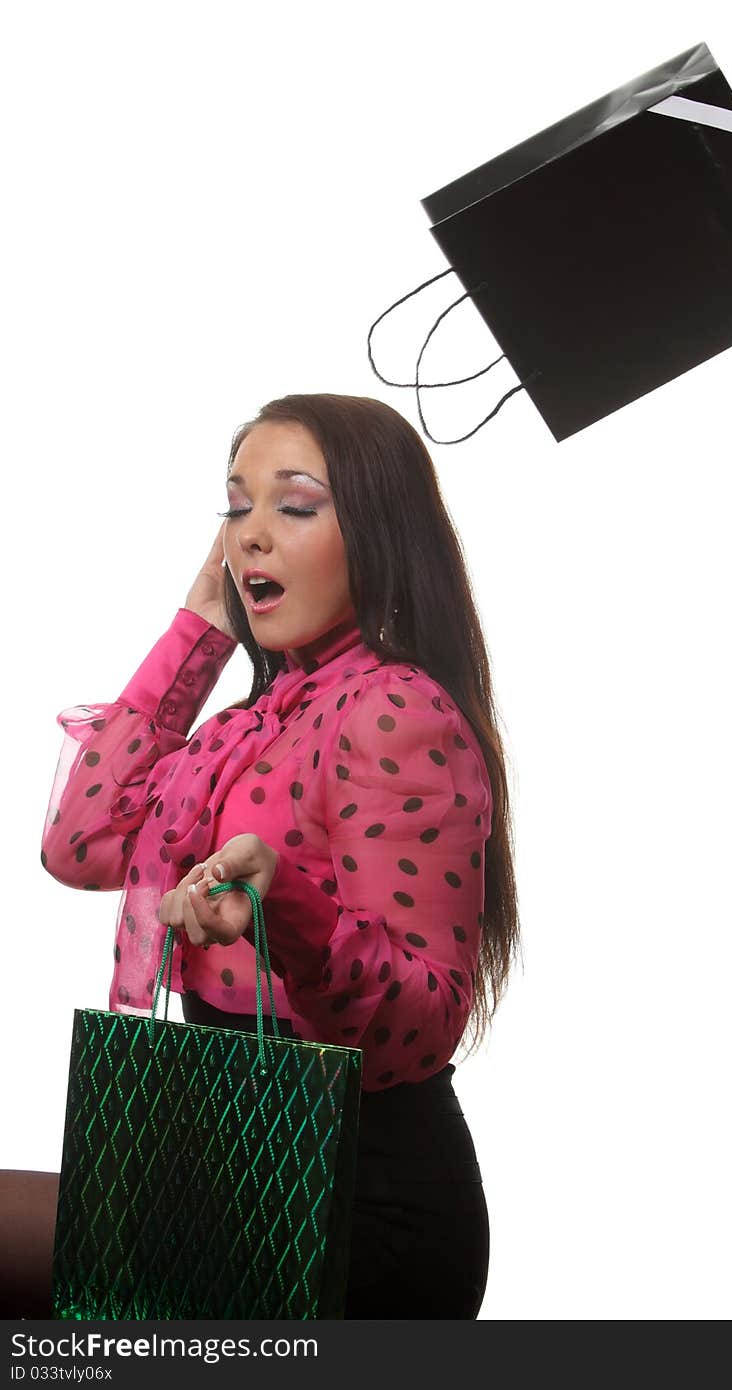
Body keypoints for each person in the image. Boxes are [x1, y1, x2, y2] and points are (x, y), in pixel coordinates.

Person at [0, 393, 520, 1319]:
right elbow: (77, 841)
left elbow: (424, 1025)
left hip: (353, 1210)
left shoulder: (394, 711)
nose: (252, 539)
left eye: (296, 505)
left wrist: (287, 908)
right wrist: (199, 627)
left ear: (377, 535)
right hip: (218, 1173)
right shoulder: (244, 728)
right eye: (236, 509)